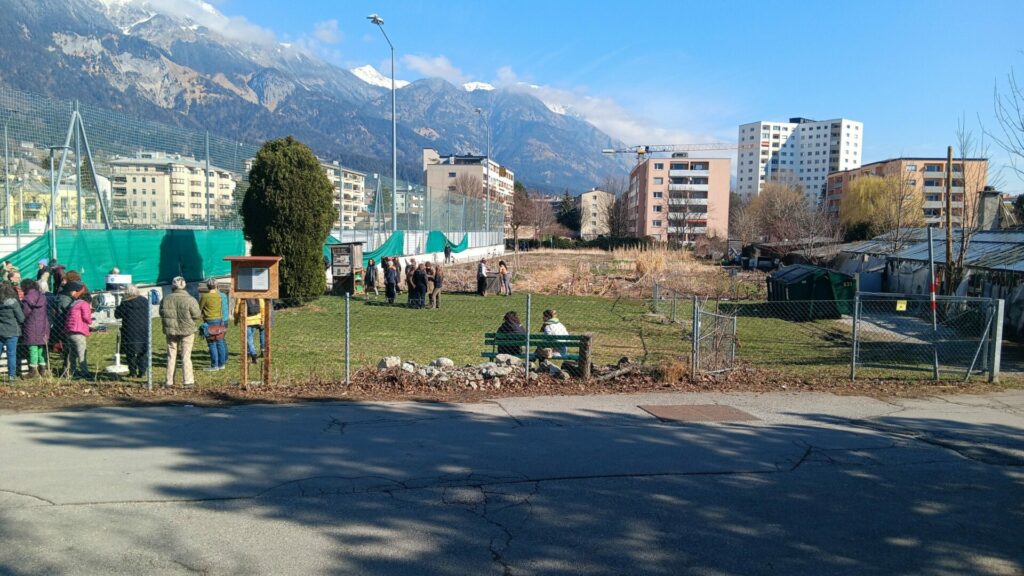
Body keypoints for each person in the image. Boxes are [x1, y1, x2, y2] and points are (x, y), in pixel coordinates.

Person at [160, 276, 201, 387]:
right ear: (185, 285)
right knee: (186, 356)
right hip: (187, 330)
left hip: (171, 330)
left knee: (171, 356)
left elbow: (161, 313)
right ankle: (188, 381)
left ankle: (169, 381)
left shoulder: (165, 299)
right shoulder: (190, 299)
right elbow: (197, 315)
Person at [114, 284, 149, 379]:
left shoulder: (125, 303)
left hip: (129, 330)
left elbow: (117, 315)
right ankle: (142, 371)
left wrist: (120, 303)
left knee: (130, 352)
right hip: (143, 329)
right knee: (143, 351)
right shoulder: (144, 301)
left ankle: (132, 371)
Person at [20, 279, 49, 378]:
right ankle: (43, 369)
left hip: (31, 325)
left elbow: (25, 314)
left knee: (32, 347)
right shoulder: (43, 296)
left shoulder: (27, 298)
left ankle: (33, 371)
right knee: (41, 347)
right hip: (43, 325)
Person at [199, 279, 228, 371]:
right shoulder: (220, 296)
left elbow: (200, 308)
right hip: (219, 320)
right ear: (216, 286)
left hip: (209, 321)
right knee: (220, 342)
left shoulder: (205, 296)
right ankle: (222, 364)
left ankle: (214, 365)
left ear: (207, 286)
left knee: (212, 344)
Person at [64, 288, 94, 378]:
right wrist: (91, 321)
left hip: (69, 331)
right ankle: (85, 372)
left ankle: (70, 371)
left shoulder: (74, 304)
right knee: (82, 353)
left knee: (72, 353)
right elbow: (86, 317)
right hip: (78, 331)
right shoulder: (84, 304)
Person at [0, 283, 25, 381]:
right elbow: (21, 318)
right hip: (12, 331)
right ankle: (11, 377)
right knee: (11, 354)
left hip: (1, 331)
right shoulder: (14, 302)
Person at [234, 296, 266, 365]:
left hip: (247, 321)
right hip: (257, 320)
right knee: (249, 339)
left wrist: (236, 320)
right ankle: (248, 355)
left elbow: (237, 309)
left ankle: (254, 356)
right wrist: (262, 320)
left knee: (249, 340)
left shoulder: (241, 296)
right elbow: (262, 308)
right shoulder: (257, 295)